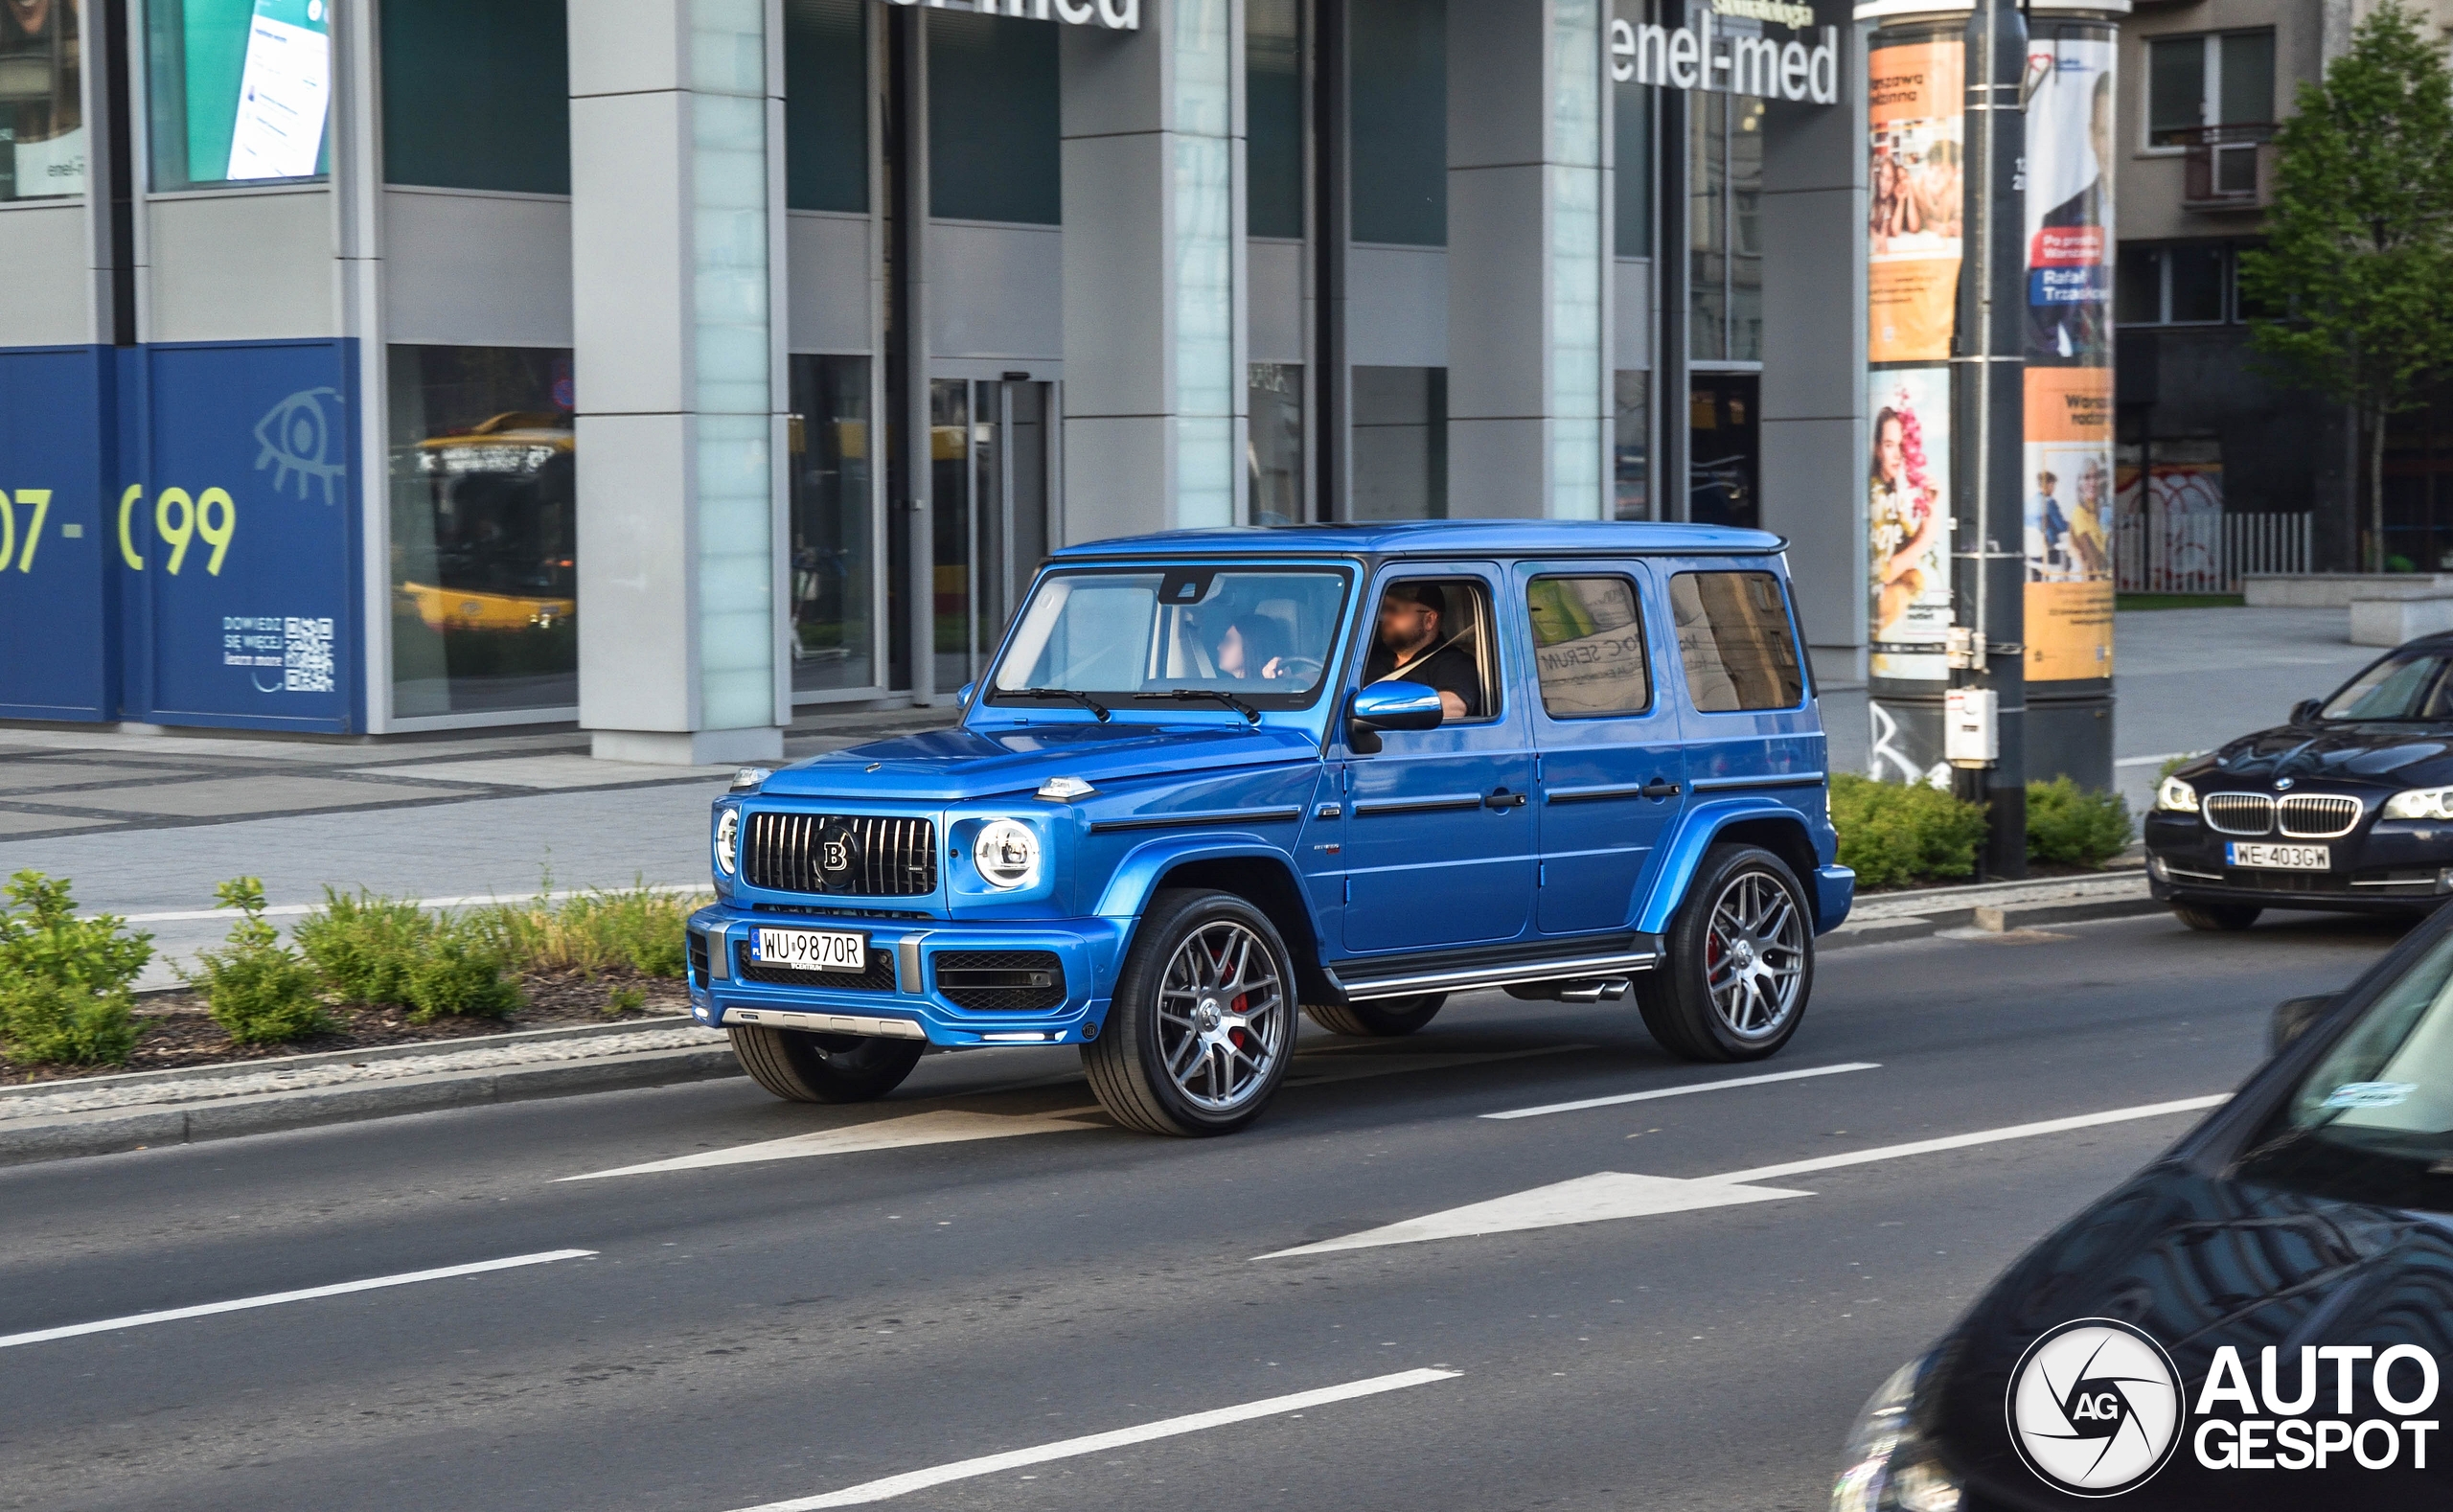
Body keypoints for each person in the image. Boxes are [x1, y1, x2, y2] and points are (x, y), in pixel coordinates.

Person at [1868, 407, 1941, 638]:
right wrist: (1924, 541)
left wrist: (1928, 512)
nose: (1898, 455)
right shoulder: (1874, 496)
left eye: (1902, 446)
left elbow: (1904, 550)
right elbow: (1881, 573)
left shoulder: (1891, 492)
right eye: (1890, 445)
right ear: (1876, 448)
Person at [1363, 583, 1479, 720]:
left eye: (1397, 608)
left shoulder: (1454, 663)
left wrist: (1387, 710)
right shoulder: (1366, 656)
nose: (1387, 616)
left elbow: (1453, 706)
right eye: (1384, 609)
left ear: (1429, 620)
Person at [1214, 614, 1290, 681]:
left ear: (1251, 646)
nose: (1219, 647)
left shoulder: (1272, 690)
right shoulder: (1224, 691)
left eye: (1229, 641)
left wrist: (1279, 681)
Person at [2033, 469, 2071, 578]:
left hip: (2031, 554)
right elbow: (2062, 526)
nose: (2054, 488)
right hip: (2048, 553)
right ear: (2049, 485)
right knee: (2068, 558)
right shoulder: (2049, 503)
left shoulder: (2031, 502)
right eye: (2053, 485)